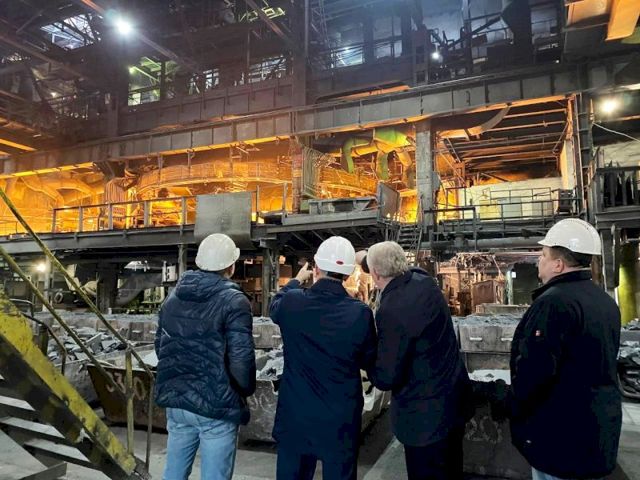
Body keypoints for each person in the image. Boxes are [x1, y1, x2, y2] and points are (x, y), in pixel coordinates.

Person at [509, 218, 622, 480]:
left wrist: (511, 404)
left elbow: (534, 372)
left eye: (543, 255)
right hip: (597, 430)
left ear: (558, 264)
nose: (539, 261)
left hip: (561, 436)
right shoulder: (604, 302)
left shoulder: (553, 303)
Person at [269, 236, 377, 480]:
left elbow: (275, 305)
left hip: (296, 414)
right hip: (339, 418)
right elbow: (368, 360)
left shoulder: (292, 302)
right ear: (348, 275)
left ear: (316, 268)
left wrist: (296, 280)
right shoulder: (359, 313)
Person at [363, 241, 472, 480]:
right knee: (452, 469)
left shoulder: (392, 309)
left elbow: (386, 377)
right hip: (453, 402)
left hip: (424, 419)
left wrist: (366, 358)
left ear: (375, 274)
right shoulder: (425, 284)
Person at [155, 233, 256, 480]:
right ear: (231, 266)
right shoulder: (234, 301)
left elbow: (160, 347)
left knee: (173, 474)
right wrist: (243, 391)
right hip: (216, 404)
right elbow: (241, 360)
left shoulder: (173, 297)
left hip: (177, 401)